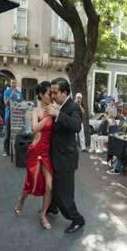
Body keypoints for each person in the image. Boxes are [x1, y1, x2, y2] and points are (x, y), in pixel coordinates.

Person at [44, 77, 86, 234]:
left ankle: (77, 220)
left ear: (65, 92)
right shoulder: (59, 105)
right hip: (56, 156)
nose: (52, 95)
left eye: (55, 92)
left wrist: (58, 114)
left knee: (65, 194)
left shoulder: (73, 107)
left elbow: (76, 126)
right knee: (54, 186)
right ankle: (53, 207)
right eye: (51, 92)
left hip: (66, 159)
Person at [14, 82, 55, 230]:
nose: (51, 96)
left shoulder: (54, 109)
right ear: (40, 95)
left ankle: (43, 214)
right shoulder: (36, 111)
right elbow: (35, 128)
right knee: (31, 182)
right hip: (36, 150)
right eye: (49, 93)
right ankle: (21, 200)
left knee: (49, 186)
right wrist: (47, 116)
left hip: (48, 152)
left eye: (52, 94)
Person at [3, 78, 22, 157]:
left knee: (17, 134)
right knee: (7, 134)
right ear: (10, 83)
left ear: (16, 83)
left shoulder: (19, 93)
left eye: (15, 83)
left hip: (18, 115)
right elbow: (6, 103)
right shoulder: (7, 91)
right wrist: (11, 95)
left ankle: (17, 150)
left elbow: (22, 103)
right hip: (9, 115)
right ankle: (6, 151)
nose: (13, 84)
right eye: (12, 83)